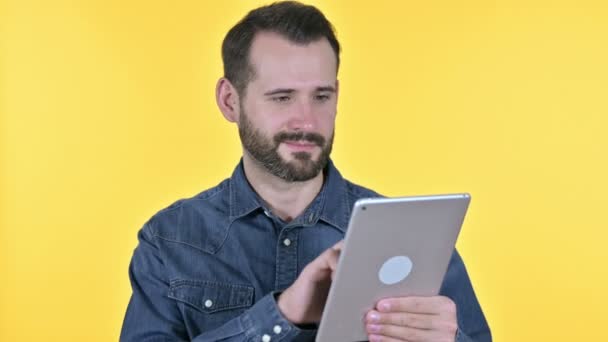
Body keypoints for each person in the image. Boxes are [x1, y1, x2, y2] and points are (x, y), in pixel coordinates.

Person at [120, 1, 492, 341]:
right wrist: (282, 315)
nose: (306, 120)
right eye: (282, 97)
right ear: (230, 101)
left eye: (321, 96)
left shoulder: (415, 238)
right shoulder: (168, 240)